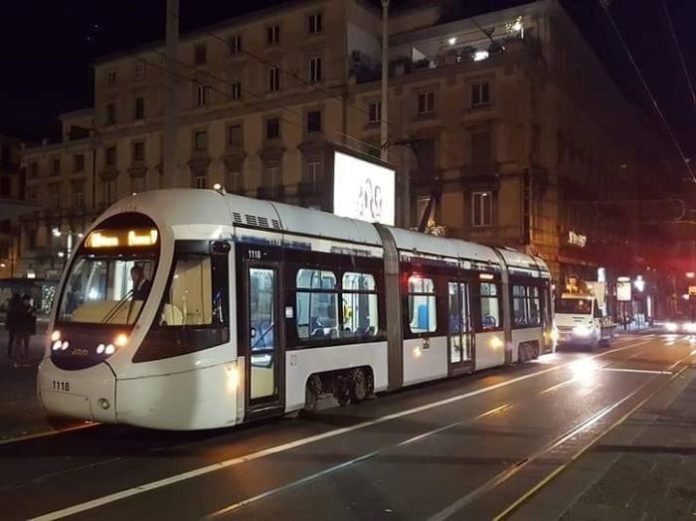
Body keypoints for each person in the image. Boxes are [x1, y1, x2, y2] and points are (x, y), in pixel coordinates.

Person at [14, 294, 36, 368]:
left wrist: (32, 315)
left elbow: (33, 319)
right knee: (18, 346)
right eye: (26, 300)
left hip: (27, 329)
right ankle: (18, 361)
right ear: (23, 300)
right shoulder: (19, 307)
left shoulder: (30, 308)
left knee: (26, 346)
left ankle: (25, 361)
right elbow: (19, 317)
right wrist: (28, 313)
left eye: (28, 301)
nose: (27, 302)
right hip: (19, 329)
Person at [5, 293, 21, 360]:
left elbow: (8, 317)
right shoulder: (18, 306)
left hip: (12, 325)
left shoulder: (11, 306)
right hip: (16, 325)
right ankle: (17, 352)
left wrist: (7, 325)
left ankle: (10, 352)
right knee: (17, 339)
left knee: (11, 339)